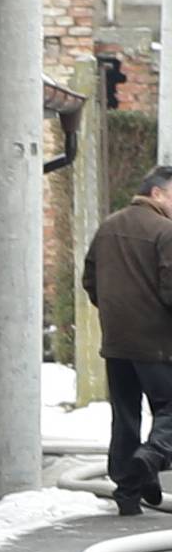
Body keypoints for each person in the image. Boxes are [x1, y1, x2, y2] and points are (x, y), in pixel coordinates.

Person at [80, 164, 172, 516]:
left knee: (125, 415)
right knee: (168, 409)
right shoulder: (165, 231)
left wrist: (115, 313)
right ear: (157, 194)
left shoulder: (108, 227)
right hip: (158, 343)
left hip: (117, 342)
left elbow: (90, 280)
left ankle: (128, 492)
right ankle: (152, 456)